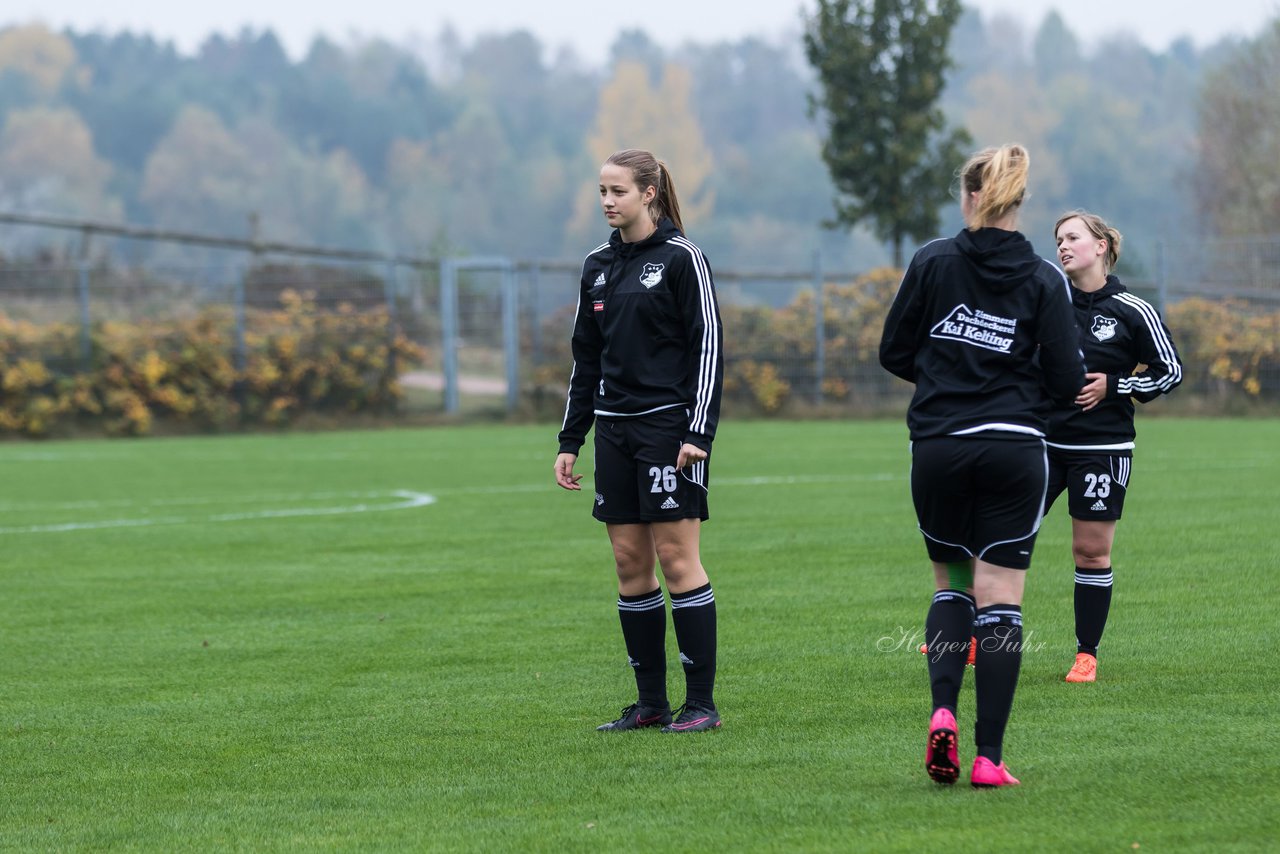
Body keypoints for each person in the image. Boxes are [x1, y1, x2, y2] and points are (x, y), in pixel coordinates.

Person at [879, 144, 1086, 788]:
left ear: (968, 198)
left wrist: (944, 378)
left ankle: (943, 707)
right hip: (1014, 449)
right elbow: (1068, 380)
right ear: (1017, 203)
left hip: (938, 445)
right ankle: (989, 759)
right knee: (1001, 601)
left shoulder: (932, 261)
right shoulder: (1046, 279)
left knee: (951, 584)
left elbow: (894, 350)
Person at [554, 148, 724, 734]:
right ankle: (651, 703)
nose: (607, 201)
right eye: (601, 191)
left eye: (618, 191)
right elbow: (586, 358)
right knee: (630, 564)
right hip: (614, 431)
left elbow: (708, 349)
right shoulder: (596, 265)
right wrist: (571, 438)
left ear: (649, 193)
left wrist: (698, 430)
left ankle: (700, 704)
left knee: (678, 560)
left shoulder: (682, 260)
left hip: (669, 432)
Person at [1049, 211, 1182, 683]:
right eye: (1058, 239)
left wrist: (1115, 385)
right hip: (1039, 443)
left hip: (1102, 448)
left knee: (1089, 551)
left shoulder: (1133, 309)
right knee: (1000, 534)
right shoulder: (1047, 303)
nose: (1063, 246)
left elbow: (1171, 371)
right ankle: (977, 639)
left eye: (1072, 237)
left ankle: (1087, 655)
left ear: (1101, 245)